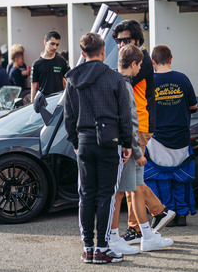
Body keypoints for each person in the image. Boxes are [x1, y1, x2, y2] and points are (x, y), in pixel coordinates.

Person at [64, 32, 132, 264]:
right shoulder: (114, 79)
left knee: (85, 195)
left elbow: (68, 117)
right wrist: (127, 144)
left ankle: (88, 248)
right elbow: (124, 115)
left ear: (82, 54)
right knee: (106, 195)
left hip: (84, 142)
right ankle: (102, 247)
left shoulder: (73, 79)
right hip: (108, 142)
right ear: (103, 52)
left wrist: (75, 142)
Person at [108, 44, 173, 256]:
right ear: (134, 64)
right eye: (139, 66)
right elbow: (130, 121)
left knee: (126, 189)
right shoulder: (126, 85)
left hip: (117, 143)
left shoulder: (113, 81)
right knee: (130, 188)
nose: (140, 71)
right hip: (128, 144)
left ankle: (135, 234)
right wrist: (136, 151)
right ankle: (139, 235)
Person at [144, 45, 198, 226]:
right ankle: (182, 214)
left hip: (157, 138)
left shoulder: (149, 81)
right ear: (171, 59)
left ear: (152, 62)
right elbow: (193, 107)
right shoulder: (182, 79)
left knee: (160, 177)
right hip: (181, 136)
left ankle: (167, 212)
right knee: (180, 176)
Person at [30, 31, 70, 102]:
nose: (55, 47)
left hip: (59, 101)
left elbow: (69, 80)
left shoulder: (62, 61)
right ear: (45, 42)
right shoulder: (36, 64)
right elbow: (33, 87)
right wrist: (32, 106)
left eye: (57, 45)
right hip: (44, 102)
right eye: (52, 44)